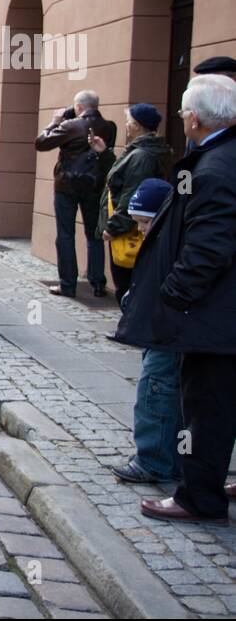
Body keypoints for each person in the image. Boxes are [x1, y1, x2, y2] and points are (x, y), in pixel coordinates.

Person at [115, 75, 236, 524]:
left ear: (196, 118)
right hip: (221, 308)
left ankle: (198, 497)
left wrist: (174, 295)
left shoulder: (215, 168)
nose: (183, 118)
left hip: (215, 314)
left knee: (207, 407)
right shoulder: (219, 158)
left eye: (185, 112)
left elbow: (210, 248)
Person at [108, 178, 182, 485]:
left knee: (157, 388)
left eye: (145, 222)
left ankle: (154, 460)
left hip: (168, 330)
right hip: (159, 327)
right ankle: (166, 458)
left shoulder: (172, 240)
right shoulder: (161, 239)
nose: (140, 230)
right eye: (137, 223)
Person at [35, 89, 117, 297]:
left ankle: (68, 284)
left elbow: (41, 142)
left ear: (79, 107)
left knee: (65, 234)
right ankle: (98, 283)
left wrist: (55, 121)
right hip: (95, 186)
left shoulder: (70, 126)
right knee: (95, 235)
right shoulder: (109, 127)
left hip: (67, 186)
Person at [94, 103, 171, 305]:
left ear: (137, 126)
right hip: (129, 225)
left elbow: (131, 194)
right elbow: (122, 179)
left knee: (127, 283)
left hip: (128, 230)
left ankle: (130, 327)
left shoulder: (142, 155)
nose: (126, 126)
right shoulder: (139, 151)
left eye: (129, 122)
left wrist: (113, 227)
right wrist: (105, 154)